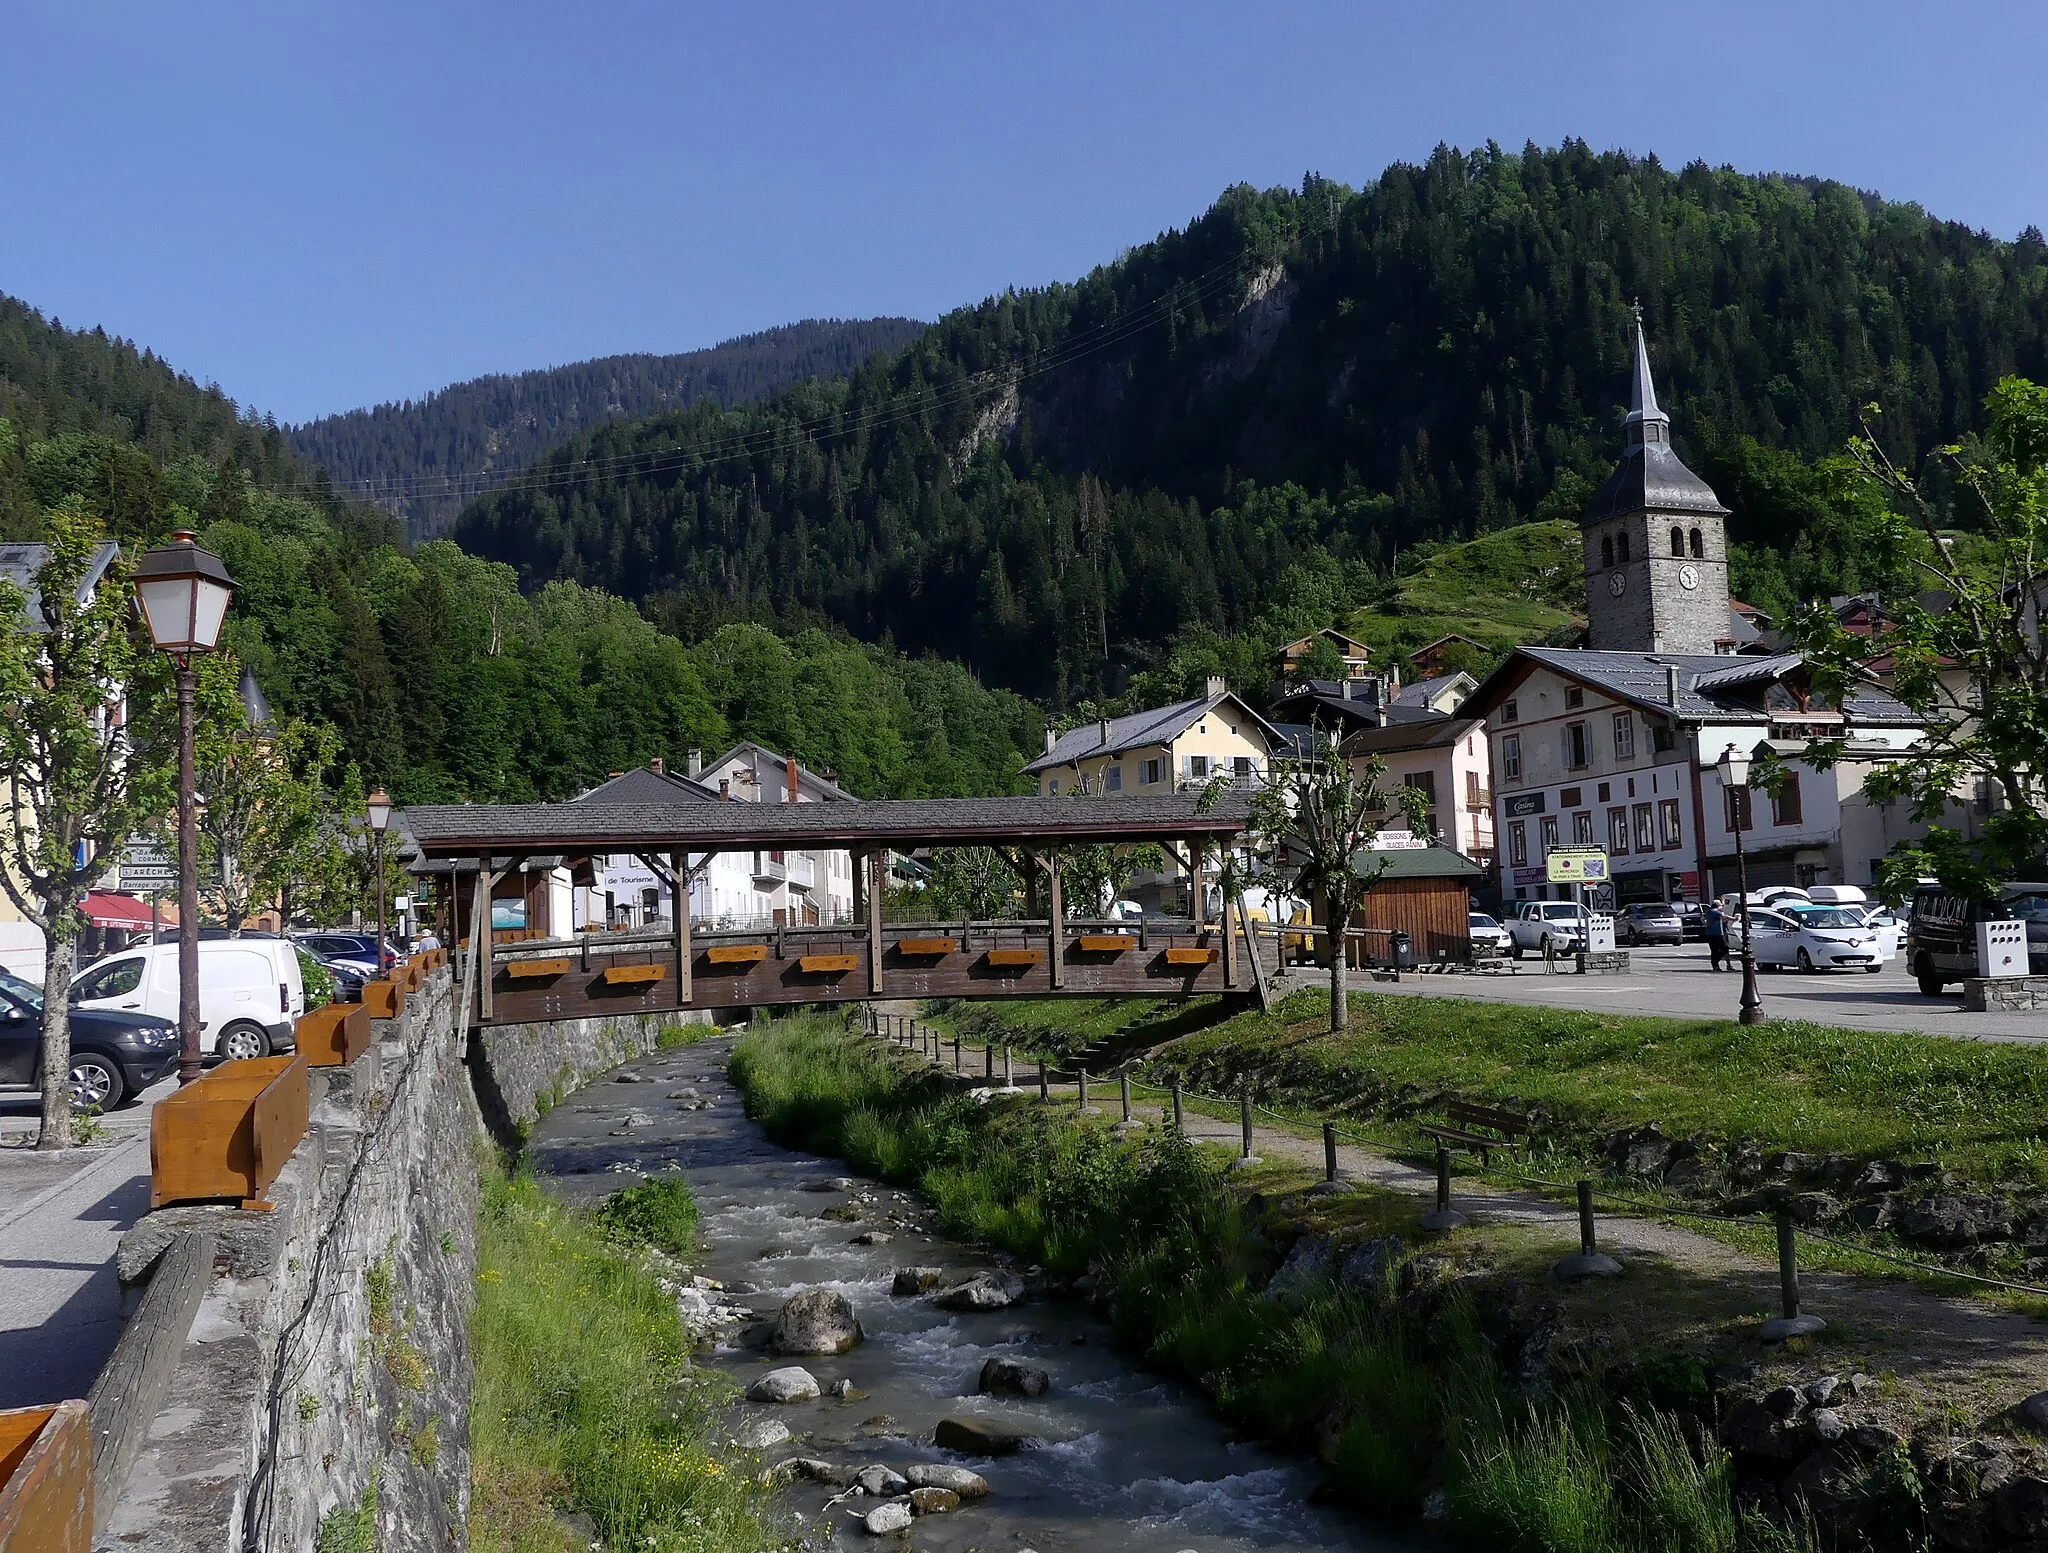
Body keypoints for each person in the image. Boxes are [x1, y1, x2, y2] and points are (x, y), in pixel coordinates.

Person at [1703, 898, 1729, 971]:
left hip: (1709, 933)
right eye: (1720, 905)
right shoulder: (1716, 912)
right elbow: (1725, 917)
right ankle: (1715, 961)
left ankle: (1715, 965)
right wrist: (1735, 918)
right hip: (1718, 934)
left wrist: (1706, 923)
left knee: (1714, 950)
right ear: (1717, 905)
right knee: (1725, 948)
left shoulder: (1708, 912)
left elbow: (1702, 919)